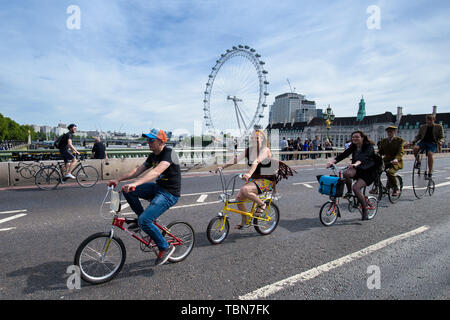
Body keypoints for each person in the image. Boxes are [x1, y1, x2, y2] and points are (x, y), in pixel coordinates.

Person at [108, 128, 181, 266]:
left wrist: (135, 183)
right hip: (158, 188)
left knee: (145, 220)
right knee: (128, 191)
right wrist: (118, 179)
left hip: (169, 193)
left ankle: (164, 247)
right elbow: (137, 170)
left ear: (161, 141)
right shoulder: (153, 155)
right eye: (147, 140)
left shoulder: (170, 153)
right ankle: (142, 222)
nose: (148, 143)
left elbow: (156, 172)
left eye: (151, 140)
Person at [216, 129, 295, 229]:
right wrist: (222, 167)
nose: (254, 140)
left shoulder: (265, 150)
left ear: (262, 139)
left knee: (245, 190)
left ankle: (262, 205)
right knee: (239, 199)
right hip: (254, 179)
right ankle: (245, 221)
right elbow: (236, 159)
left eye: (257, 138)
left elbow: (256, 161)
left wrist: (248, 174)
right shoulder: (249, 150)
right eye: (252, 138)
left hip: (267, 180)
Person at [327, 130, 378, 220]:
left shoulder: (368, 147)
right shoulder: (353, 147)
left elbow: (364, 157)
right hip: (358, 169)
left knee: (356, 188)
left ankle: (365, 209)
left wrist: (355, 164)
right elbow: (343, 155)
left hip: (368, 171)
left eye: (357, 137)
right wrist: (332, 162)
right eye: (353, 137)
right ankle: (349, 192)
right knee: (346, 173)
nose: (355, 138)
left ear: (362, 138)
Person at [370, 126, 404, 197]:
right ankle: (376, 187)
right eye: (388, 132)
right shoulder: (384, 141)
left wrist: (396, 159)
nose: (389, 133)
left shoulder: (399, 140)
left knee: (390, 172)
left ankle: (396, 188)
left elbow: (400, 152)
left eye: (391, 132)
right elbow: (381, 152)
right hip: (386, 161)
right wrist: (375, 156)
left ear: (394, 132)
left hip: (396, 161)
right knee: (375, 171)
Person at [410, 114, 445, 179]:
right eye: (427, 120)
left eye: (430, 120)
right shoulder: (422, 127)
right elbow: (418, 136)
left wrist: (441, 142)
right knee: (415, 148)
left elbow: (442, 137)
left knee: (430, 154)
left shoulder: (439, 127)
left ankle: (430, 171)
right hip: (423, 142)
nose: (428, 122)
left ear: (434, 120)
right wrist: (413, 141)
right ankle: (418, 162)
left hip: (432, 143)